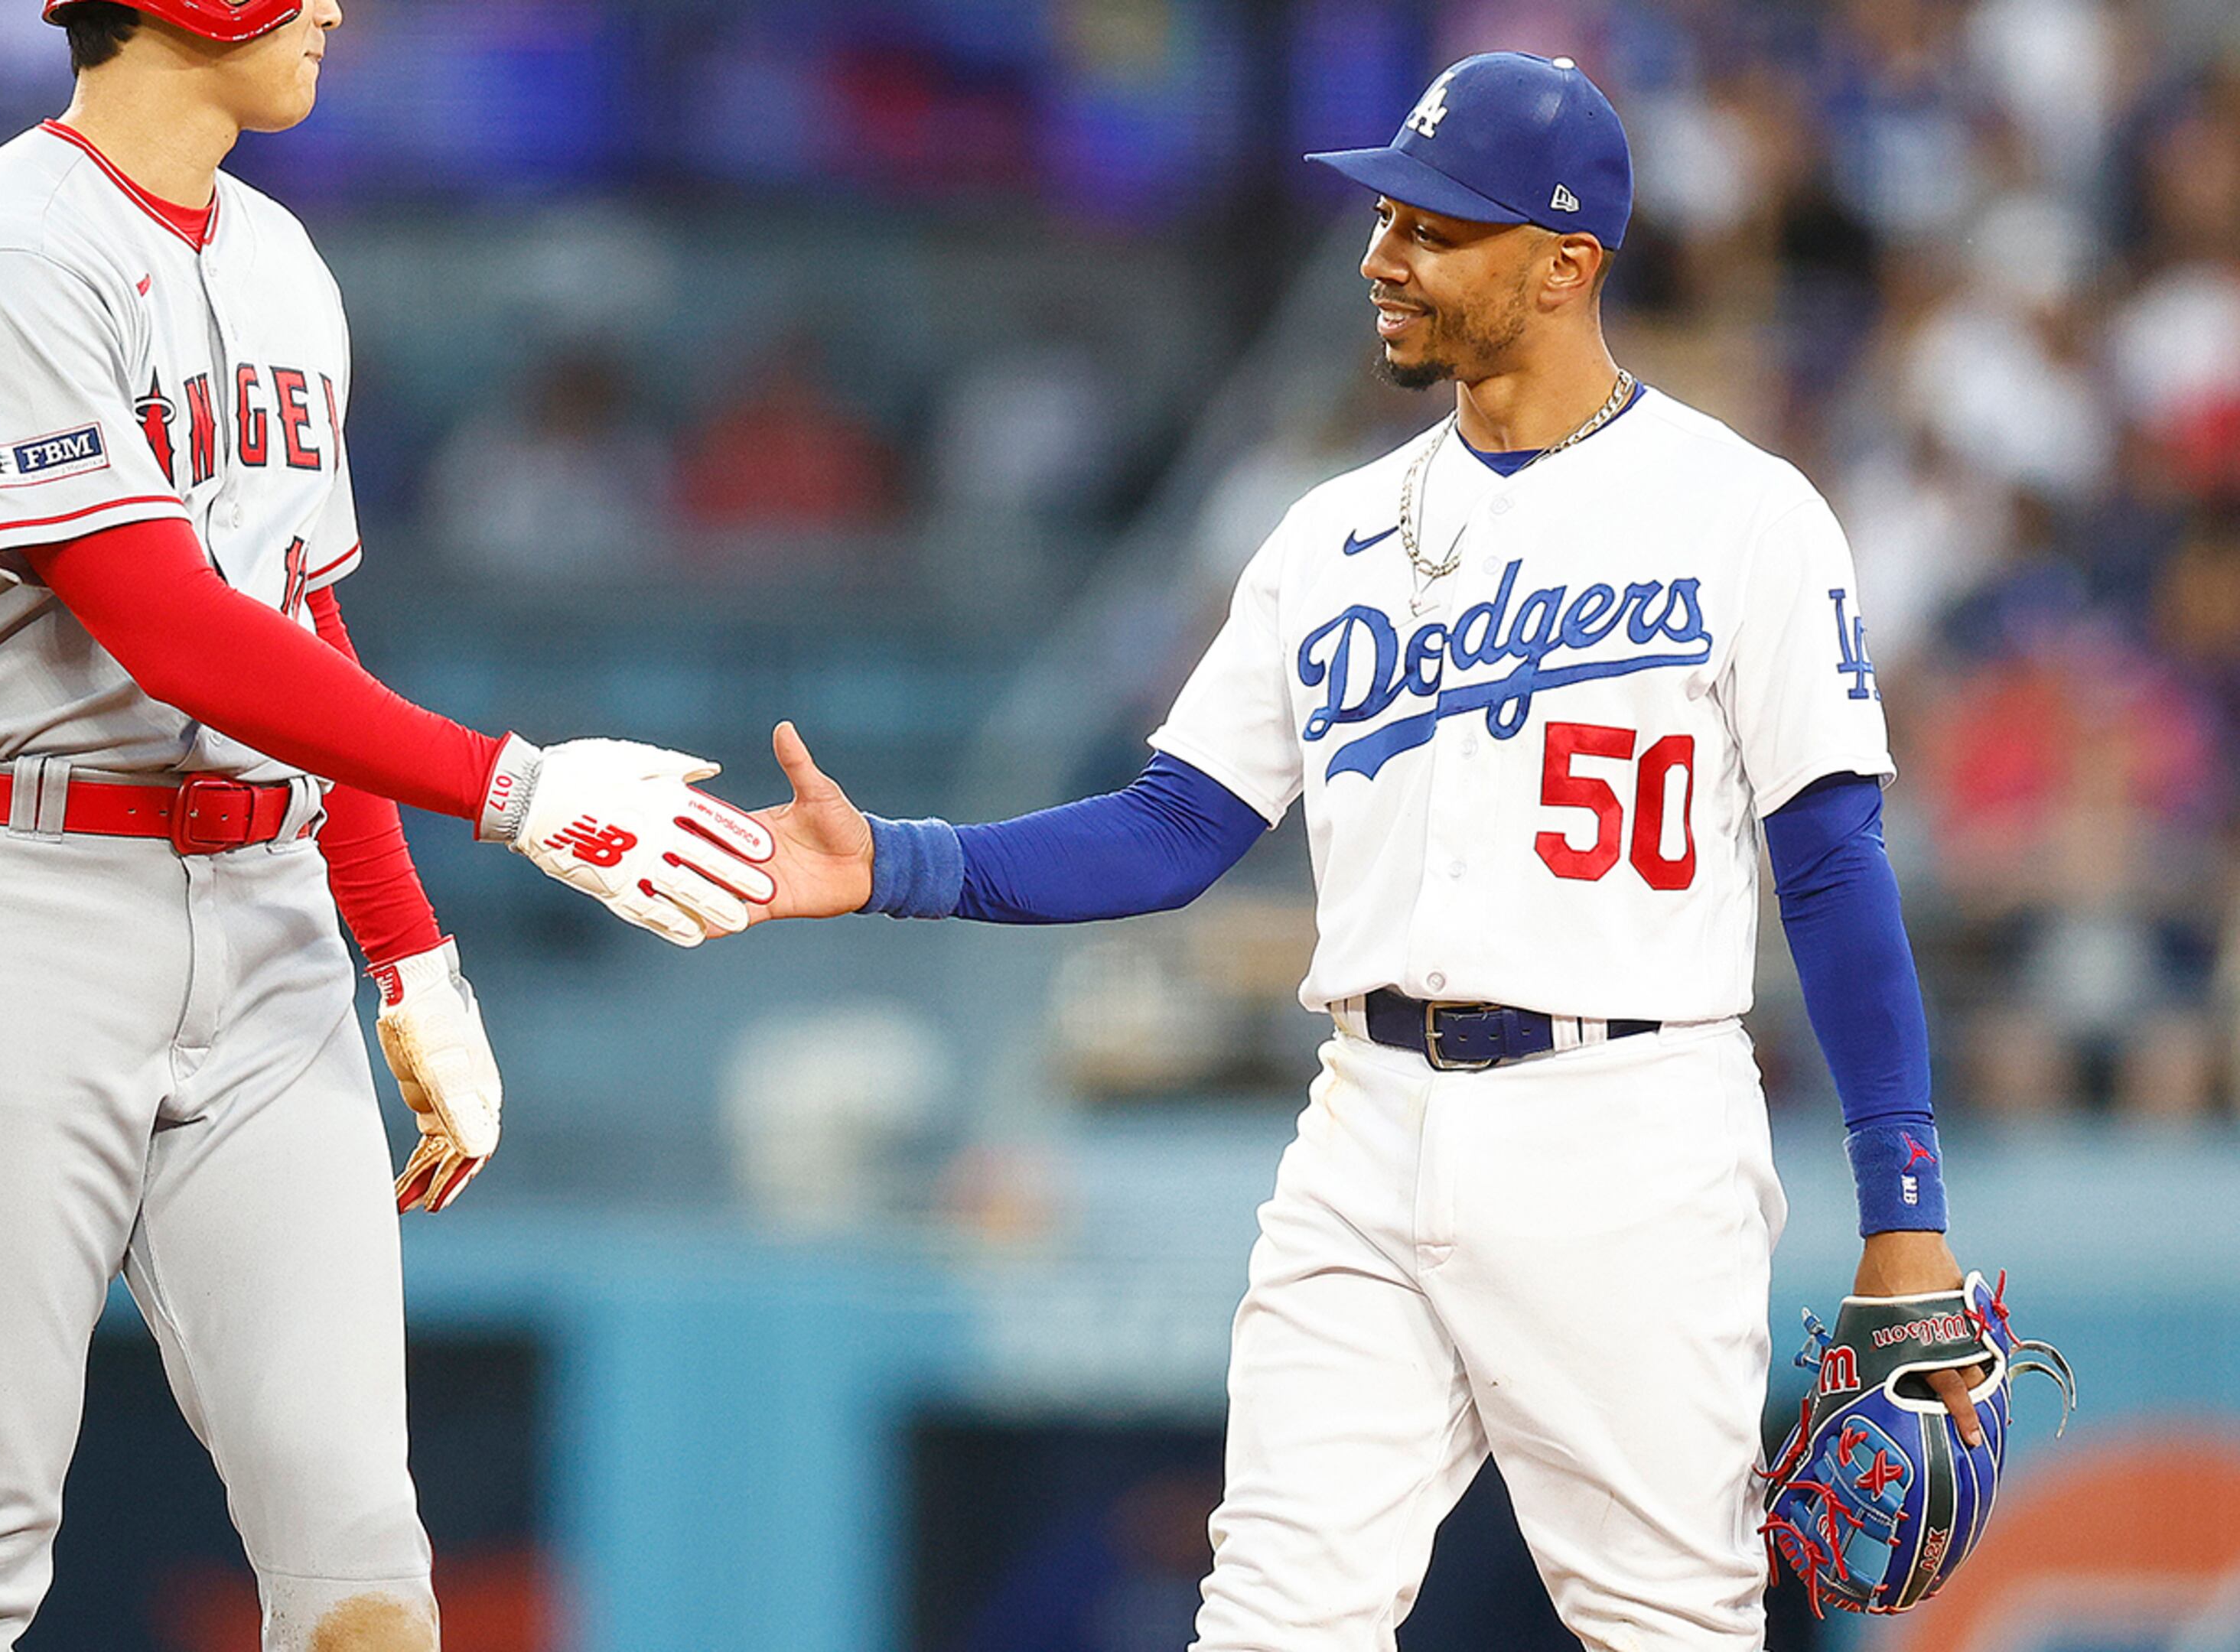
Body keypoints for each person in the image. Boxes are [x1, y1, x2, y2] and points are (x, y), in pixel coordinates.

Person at [738, 53, 1984, 1649]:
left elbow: (1830, 865)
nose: (1381, 257)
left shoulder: (1742, 514)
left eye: (1435, 228)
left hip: (1627, 1127)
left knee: (1670, 1629)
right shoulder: (1325, 535)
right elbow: (1180, 825)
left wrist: (1906, 1200)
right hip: (1366, 1120)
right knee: (1269, 1618)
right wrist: (899, 861)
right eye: (1386, 215)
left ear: (1564, 264)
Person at [0, 4, 773, 1648]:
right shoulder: (0, 251)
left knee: (361, 1566)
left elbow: (296, 631)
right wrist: (520, 790)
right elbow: (167, 625)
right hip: (10, 894)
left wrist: (406, 956)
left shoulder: (276, 257)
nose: (331, 5)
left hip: (262, 918)